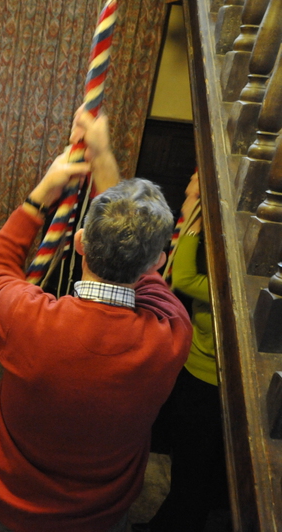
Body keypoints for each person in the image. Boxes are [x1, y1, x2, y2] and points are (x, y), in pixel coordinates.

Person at [0, 111, 193, 532]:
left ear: (81, 243)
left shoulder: (27, 319)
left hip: (3, 513)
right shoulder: (172, 333)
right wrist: (102, 156)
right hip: (100, 521)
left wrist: (44, 191)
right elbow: (145, 271)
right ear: (157, 263)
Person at [141, 171, 229, 531]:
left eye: (196, 178)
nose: (190, 180)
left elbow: (184, 280)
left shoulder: (224, 276)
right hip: (195, 371)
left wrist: (192, 219)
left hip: (211, 383)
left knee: (194, 466)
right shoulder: (214, 247)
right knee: (186, 459)